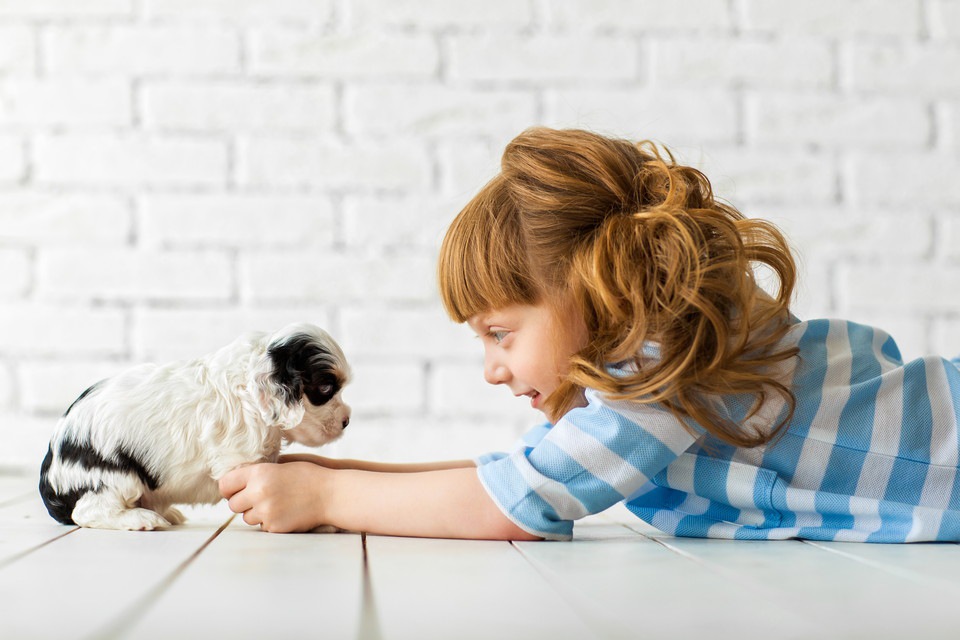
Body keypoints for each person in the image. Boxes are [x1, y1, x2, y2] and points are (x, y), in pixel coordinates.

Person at [219, 127, 960, 542]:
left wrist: (323, 498)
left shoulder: (663, 359)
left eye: (501, 334)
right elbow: (513, 470)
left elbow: (517, 501)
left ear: (592, 294)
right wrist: (344, 478)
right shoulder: (651, 383)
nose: (493, 370)